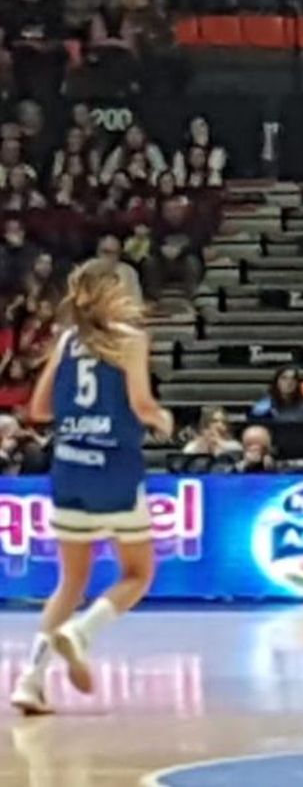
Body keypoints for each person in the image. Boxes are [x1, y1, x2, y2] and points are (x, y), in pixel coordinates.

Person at [10, 260, 174, 715]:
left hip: (69, 467)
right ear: (115, 293)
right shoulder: (131, 339)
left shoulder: (67, 340)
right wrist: (162, 419)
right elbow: (141, 403)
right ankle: (81, 633)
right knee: (138, 575)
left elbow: (39, 410)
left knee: (70, 582)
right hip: (114, 467)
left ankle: (30, 681)